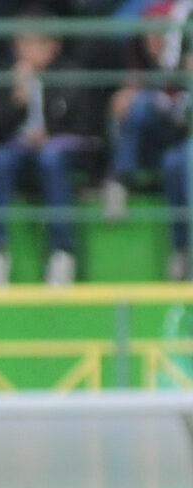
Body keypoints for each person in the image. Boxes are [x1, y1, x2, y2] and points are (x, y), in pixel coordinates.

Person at [0, 9, 94, 287]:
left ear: (52, 45)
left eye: (30, 43)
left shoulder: (71, 75)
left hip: (59, 153)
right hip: (19, 151)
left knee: (51, 158)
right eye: (20, 43)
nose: (23, 51)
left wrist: (50, 134)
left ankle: (61, 252)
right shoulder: (9, 74)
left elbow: (85, 128)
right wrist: (17, 99)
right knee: (1, 159)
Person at [99, 0, 192, 280]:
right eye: (151, 34)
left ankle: (184, 248)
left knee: (178, 161)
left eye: (161, 34)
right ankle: (120, 180)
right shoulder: (161, 21)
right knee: (138, 107)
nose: (155, 38)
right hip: (172, 123)